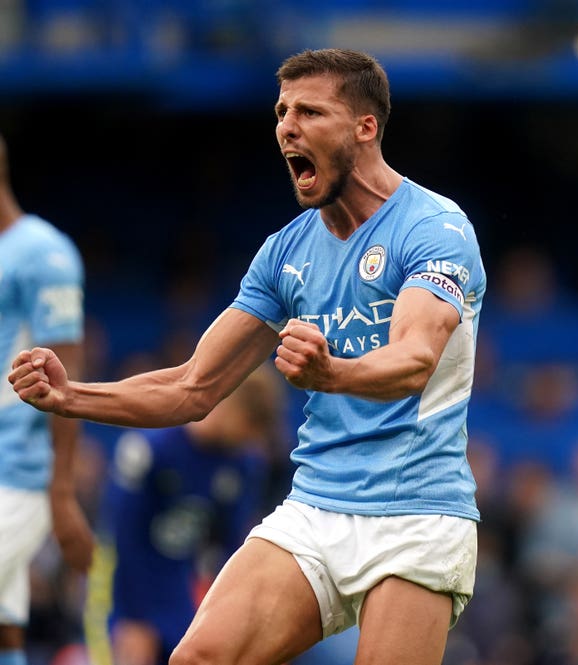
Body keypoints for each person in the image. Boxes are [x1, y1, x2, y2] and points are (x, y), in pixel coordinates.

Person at [9, 48, 486, 665]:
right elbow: (191, 387)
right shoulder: (284, 253)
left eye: (311, 111)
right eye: (282, 111)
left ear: (365, 127)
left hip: (419, 512)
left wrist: (330, 373)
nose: (287, 125)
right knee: (198, 658)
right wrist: (71, 395)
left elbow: (415, 361)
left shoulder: (433, 227)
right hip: (317, 506)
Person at [84, 364, 287, 665]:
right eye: (250, 429)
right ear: (233, 408)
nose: (251, 440)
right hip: (121, 589)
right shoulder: (151, 448)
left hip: (177, 588)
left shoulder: (242, 465)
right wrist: (133, 619)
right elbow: (122, 537)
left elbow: (232, 548)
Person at [0, 134, 93, 665]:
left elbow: (66, 377)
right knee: (6, 633)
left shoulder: (43, 253)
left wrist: (61, 491)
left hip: (18, 474)